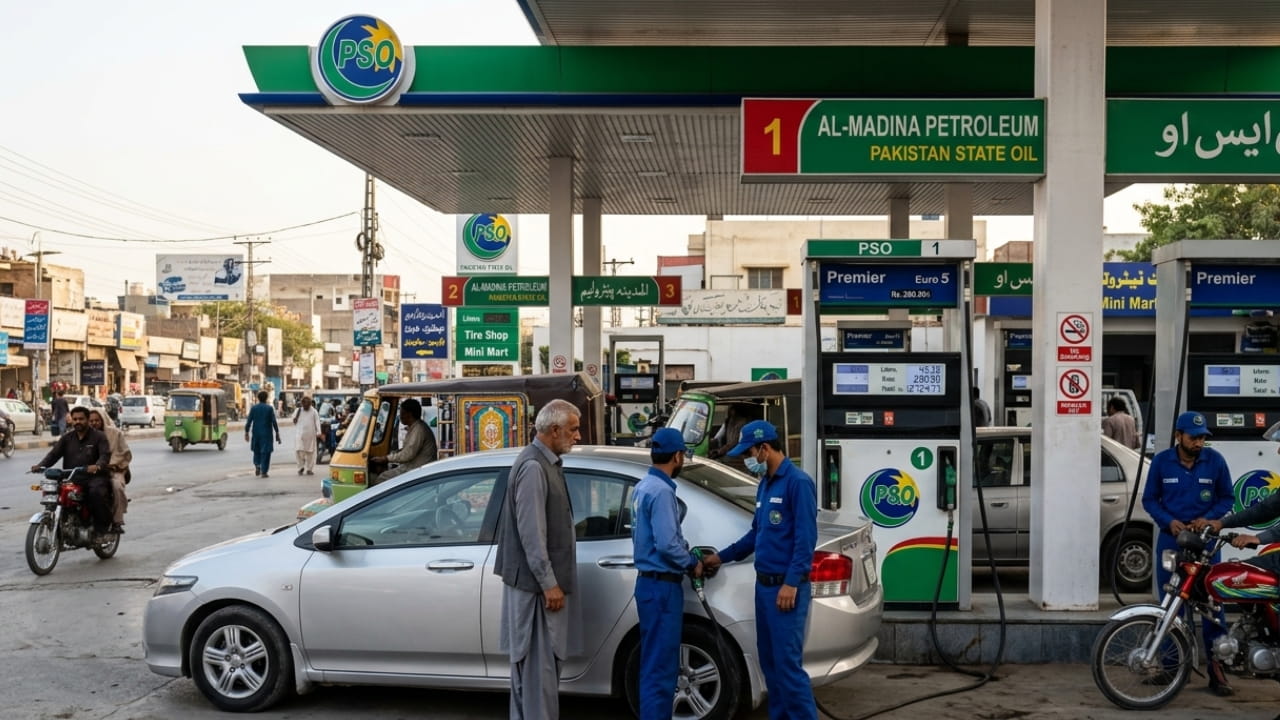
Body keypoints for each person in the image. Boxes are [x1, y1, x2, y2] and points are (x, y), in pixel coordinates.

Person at [702, 420, 818, 720]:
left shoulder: (798, 483)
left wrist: (792, 582)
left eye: (749, 452)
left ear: (765, 448)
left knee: (788, 668)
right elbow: (757, 534)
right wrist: (720, 558)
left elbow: (806, 540)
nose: (746, 459)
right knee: (770, 666)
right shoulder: (765, 483)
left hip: (786, 591)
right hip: (764, 589)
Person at [494, 398, 582, 720]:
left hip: (540, 589)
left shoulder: (546, 463)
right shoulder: (533, 467)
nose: (578, 436)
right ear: (554, 429)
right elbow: (532, 534)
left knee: (540, 677)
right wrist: (549, 584)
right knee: (536, 678)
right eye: (573, 429)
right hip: (536, 592)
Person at [1141, 410, 1235, 696]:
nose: (1198, 443)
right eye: (1193, 438)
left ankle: (1216, 669)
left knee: (1211, 607)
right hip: (1172, 543)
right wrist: (1168, 521)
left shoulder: (1215, 461)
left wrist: (1208, 519)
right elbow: (1149, 499)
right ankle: (1171, 669)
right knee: (1171, 607)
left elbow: (1227, 498)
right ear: (1178, 436)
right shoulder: (1161, 463)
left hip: (1206, 546)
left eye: (1202, 438)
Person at [632, 427, 703, 720]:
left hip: (649, 587)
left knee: (652, 666)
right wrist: (692, 562)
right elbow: (667, 543)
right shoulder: (661, 492)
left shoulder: (643, 486)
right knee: (662, 670)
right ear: (677, 456)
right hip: (662, 588)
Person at [31, 406, 113, 536]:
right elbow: (53, 455)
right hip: (72, 477)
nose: (77, 422)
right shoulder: (67, 438)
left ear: (87, 419)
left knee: (96, 493)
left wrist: (97, 465)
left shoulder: (99, 437)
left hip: (94, 477)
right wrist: (40, 466)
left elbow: (105, 455)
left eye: (81, 419)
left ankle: (102, 529)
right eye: (75, 419)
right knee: (58, 494)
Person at [370, 398, 437, 485]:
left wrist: (386, 459)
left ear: (409, 414)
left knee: (382, 478)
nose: (400, 416)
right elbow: (406, 450)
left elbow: (407, 455)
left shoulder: (419, 429)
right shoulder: (414, 428)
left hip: (417, 470)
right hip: (412, 467)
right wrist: (390, 456)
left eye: (402, 413)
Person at [87, 409, 131, 534]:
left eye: (97, 420)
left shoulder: (115, 434)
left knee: (116, 486)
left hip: (114, 469)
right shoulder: (85, 435)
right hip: (91, 471)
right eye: (91, 421)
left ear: (103, 420)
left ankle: (117, 521)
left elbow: (125, 454)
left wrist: (112, 465)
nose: (94, 423)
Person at [244, 390, 281, 478]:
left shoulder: (254, 408)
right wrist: (277, 432)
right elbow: (274, 422)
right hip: (266, 433)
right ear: (266, 398)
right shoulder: (269, 408)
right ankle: (264, 471)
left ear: (258, 398)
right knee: (266, 452)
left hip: (256, 433)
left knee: (256, 450)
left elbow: (249, 421)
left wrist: (246, 432)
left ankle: (257, 465)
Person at [292, 396, 323, 476]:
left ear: (310, 404)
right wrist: (295, 418)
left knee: (310, 453)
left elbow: (317, 422)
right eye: (304, 405)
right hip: (300, 435)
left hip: (310, 435)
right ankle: (300, 467)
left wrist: (319, 431)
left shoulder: (314, 411)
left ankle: (309, 469)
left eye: (307, 405)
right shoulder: (298, 410)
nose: (305, 407)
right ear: (302, 404)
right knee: (299, 451)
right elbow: (294, 421)